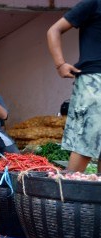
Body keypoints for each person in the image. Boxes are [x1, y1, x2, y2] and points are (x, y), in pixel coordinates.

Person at [47, 0, 101, 173]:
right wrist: (60, 64)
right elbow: (53, 30)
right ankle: (66, 197)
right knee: (86, 143)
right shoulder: (94, 3)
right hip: (94, 80)